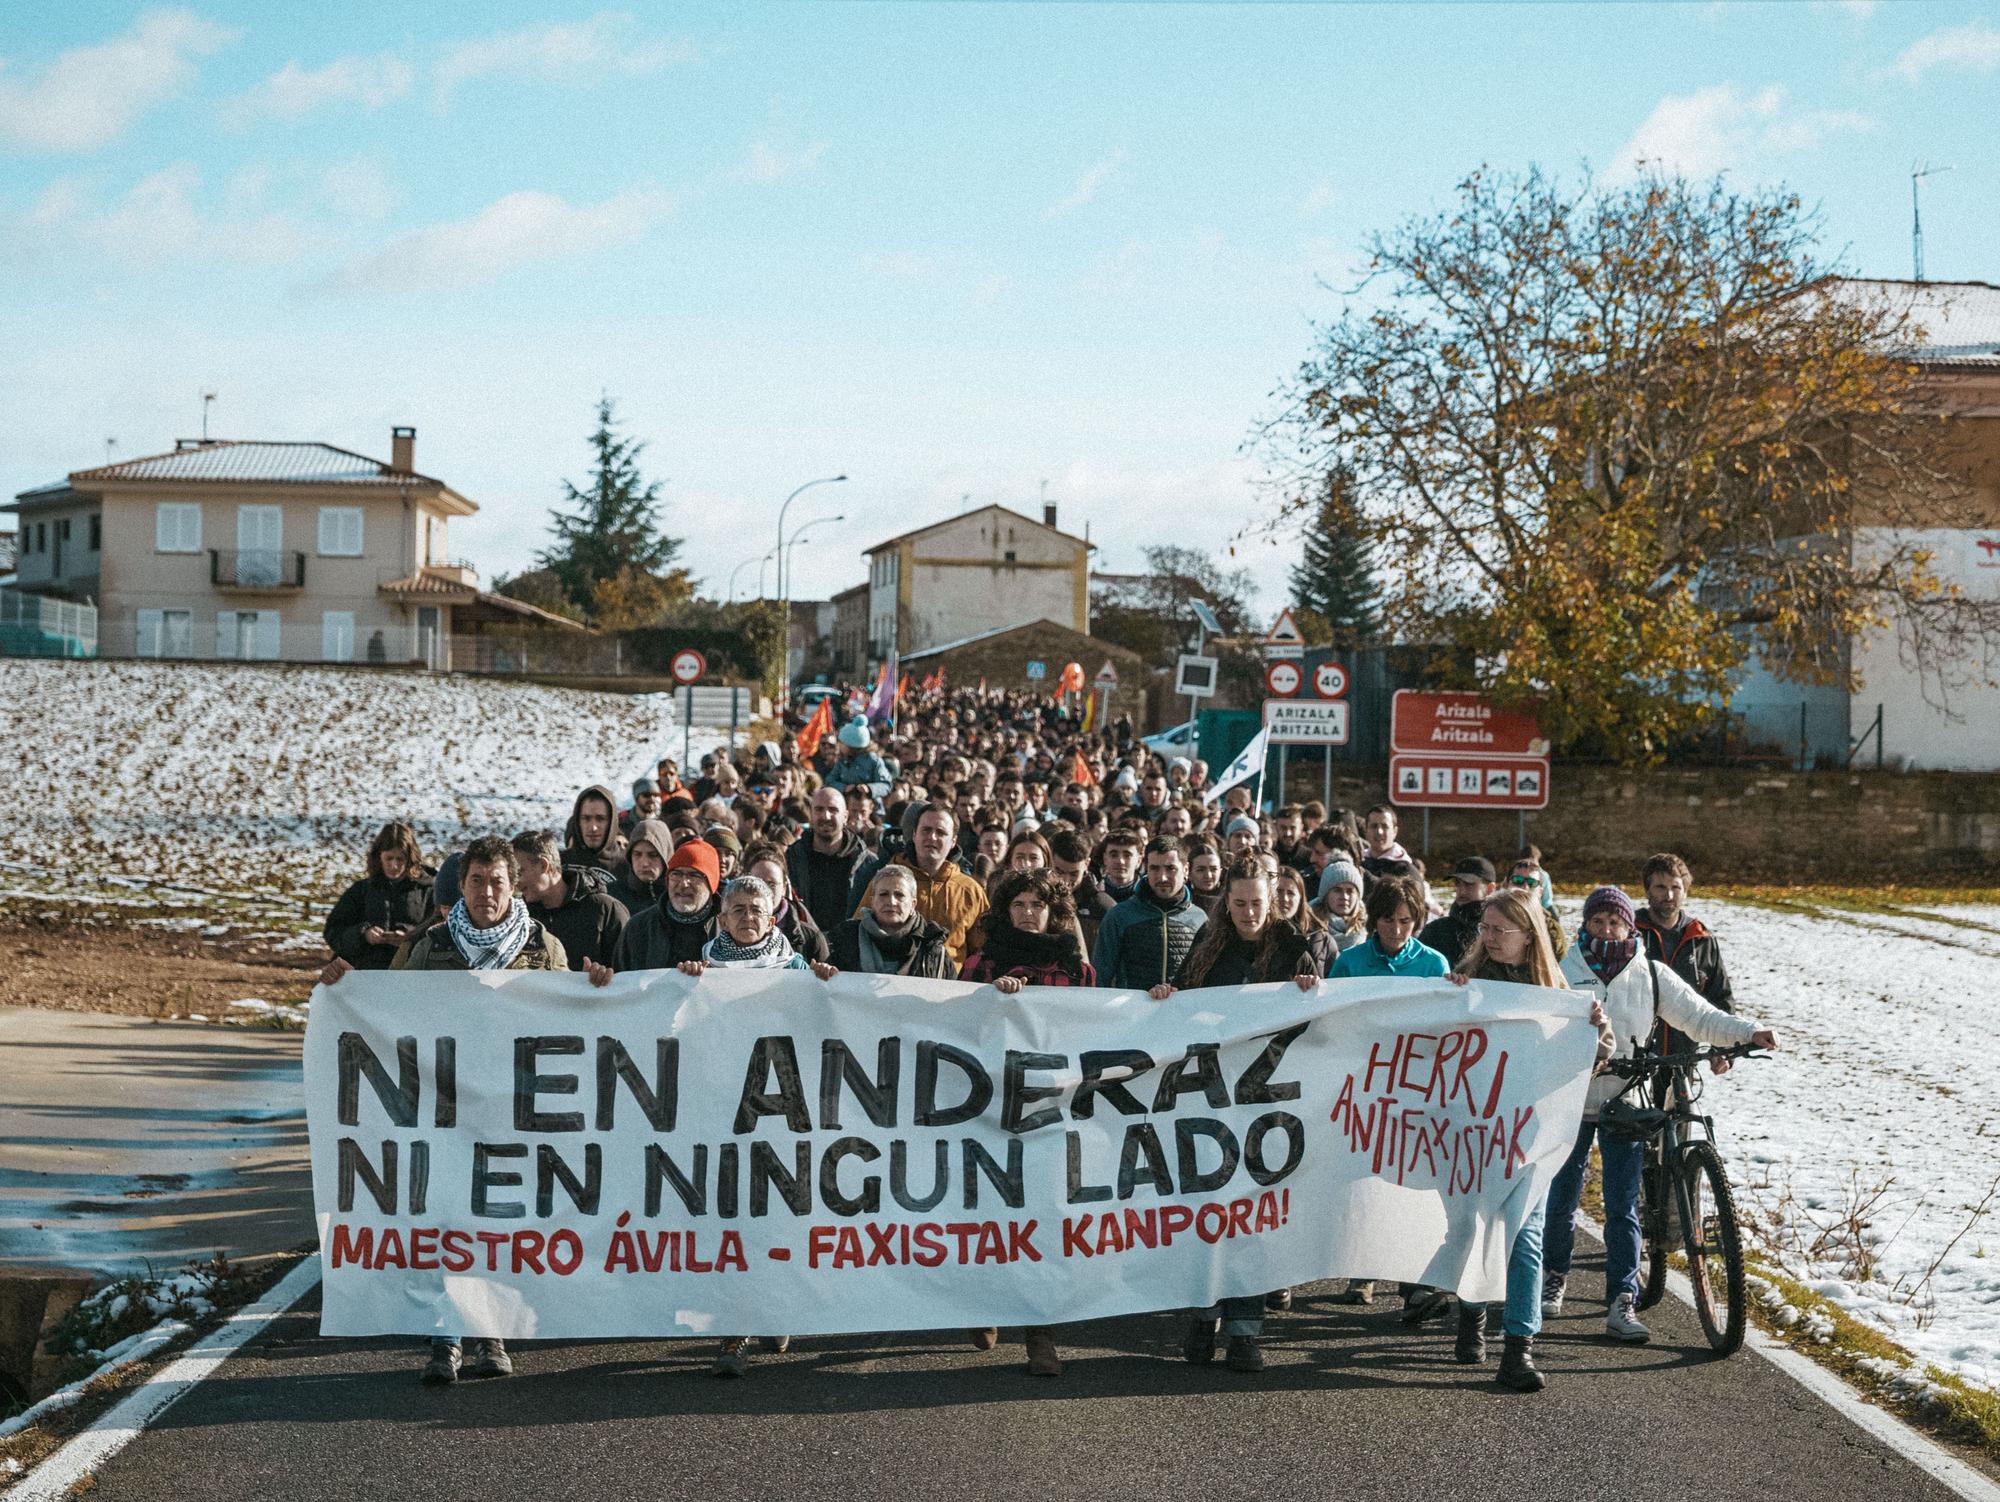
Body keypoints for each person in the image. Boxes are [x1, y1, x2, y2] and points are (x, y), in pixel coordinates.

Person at [1543, 887, 1778, 1344]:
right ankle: (1553, 1279)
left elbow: (1699, 1015)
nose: (1606, 929)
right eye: (1598, 922)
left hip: (1627, 1102)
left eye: (1615, 922)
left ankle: (1622, 1300)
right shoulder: (1563, 970)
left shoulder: (1650, 974)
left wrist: (1749, 1032)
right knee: (1562, 1199)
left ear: (1632, 927)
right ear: (1585, 925)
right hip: (1569, 1100)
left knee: (1623, 1205)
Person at [386, 835, 566, 1386]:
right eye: (476, 881)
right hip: (446, 1109)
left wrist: (599, 988)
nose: (487, 893)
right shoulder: (433, 948)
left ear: (515, 886)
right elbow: (388, 1013)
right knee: (447, 1219)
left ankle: (490, 1332)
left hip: (514, 1109)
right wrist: (344, 991)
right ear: (461, 885)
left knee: (499, 1220)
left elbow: (571, 1021)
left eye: (497, 882)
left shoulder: (542, 948)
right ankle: (445, 1336)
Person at [1148, 856, 1324, 1372]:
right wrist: (1165, 998)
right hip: (1209, 1097)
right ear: (1227, 900)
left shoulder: (1294, 945)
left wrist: (1313, 991)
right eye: (1240, 902)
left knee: (1251, 1220)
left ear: (1273, 900)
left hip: (1267, 1100)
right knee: (1209, 1218)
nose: (1249, 912)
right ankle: (1203, 1321)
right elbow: (1180, 1001)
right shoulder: (1209, 944)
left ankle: (1245, 1333)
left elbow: (1320, 1017)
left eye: (1258, 903)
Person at [1444, 888, 1612, 1392]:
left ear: (1528, 936)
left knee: (1525, 1237)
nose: (1489, 938)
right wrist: (1447, 999)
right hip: (1473, 1131)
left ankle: (1519, 1347)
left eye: (1500, 930)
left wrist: (1596, 1032)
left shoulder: (1556, 992)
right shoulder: (1468, 983)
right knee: (1471, 1228)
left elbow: (1595, 1053)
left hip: (1531, 1137)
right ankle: (1471, 1312)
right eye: (1485, 929)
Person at [674, 873, 836, 1378]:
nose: (748, 917)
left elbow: (828, 1035)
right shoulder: (696, 972)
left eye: (757, 909)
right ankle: (736, 1328)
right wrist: (679, 988)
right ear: (721, 918)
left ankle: (774, 1305)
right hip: (720, 1114)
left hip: (780, 1114)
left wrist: (830, 991)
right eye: (738, 908)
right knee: (733, 1217)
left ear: (774, 917)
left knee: (778, 1216)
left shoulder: (799, 972)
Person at [955, 867, 1095, 1378]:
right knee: (990, 1216)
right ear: (1005, 910)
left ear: (1053, 911)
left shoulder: (1077, 971)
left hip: (1051, 1113)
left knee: (1045, 1220)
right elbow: (956, 1030)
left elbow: (1096, 1027)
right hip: (989, 1110)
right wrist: (993, 998)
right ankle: (986, 1303)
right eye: (1019, 904)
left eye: (1038, 904)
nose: (1029, 913)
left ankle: (1041, 1335)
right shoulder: (980, 964)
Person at [854, 805, 989, 965]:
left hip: (950, 985)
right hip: (890, 981)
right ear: (914, 834)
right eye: (926, 830)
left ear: (953, 841)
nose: (932, 837)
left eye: (941, 832)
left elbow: (983, 951)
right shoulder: (886, 880)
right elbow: (858, 932)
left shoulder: (971, 891)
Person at [1091, 836, 1207, 990]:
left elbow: (1206, 979)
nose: (1162, 877)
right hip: (1132, 1011)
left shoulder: (1200, 919)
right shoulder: (1120, 916)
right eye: (1154, 868)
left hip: (1181, 1012)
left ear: (1186, 869)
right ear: (1146, 868)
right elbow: (1100, 977)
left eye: (1170, 868)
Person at [1635, 851, 1734, 1023]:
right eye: (1661, 887)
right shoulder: (1629, 933)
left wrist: (1728, 1044)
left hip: (1689, 1046)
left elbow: (1721, 999)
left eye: (1676, 888)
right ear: (1647, 891)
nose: (1669, 896)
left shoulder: (1701, 938)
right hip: (1637, 1045)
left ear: (1685, 892)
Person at [511, 830, 628, 970]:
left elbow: (628, 973)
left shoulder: (605, 910)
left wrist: (601, 977)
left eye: (519, 872)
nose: (514, 881)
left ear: (543, 865)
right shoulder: (520, 917)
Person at [323, 822, 432, 971]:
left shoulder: (428, 891)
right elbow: (334, 933)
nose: (394, 865)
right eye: (389, 858)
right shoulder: (361, 891)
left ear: (410, 859)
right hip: (365, 975)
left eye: (400, 859)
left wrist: (411, 938)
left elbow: (441, 932)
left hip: (411, 975)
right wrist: (364, 935)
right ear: (379, 856)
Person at [606, 839, 721, 972]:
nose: (683, 884)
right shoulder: (639, 927)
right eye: (676, 874)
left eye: (694, 875)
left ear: (711, 884)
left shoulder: (728, 929)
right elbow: (619, 981)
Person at [827, 864, 954, 977]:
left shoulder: (933, 949)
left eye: (899, 895)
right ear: (872, 901)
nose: (891, 902)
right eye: (883, 894)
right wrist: (824, 972)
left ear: (913, 904)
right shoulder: (845, 940)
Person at [788, 786, 875, 934]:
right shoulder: (792, 858)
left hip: (853, 945)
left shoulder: (868, 864)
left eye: (833, 810)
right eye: (819, 809)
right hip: (805, 944)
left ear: (846, 817)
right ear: (811, 814)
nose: (826, 816)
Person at [1330, 875, 1451, 979]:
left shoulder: (1435, 964)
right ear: (1375, 919)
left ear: (1416, 921)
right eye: (1388, 920)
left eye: (1405, 921)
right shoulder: (1349, 962)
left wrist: (1460, 985)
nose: (1396, 930)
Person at [742, 842, 830, 965]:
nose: (764, 890)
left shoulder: (810, 937)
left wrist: (823, 972)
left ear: (784, 887)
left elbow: (829, 981)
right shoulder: (730, 930)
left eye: (771, 884)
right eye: (757, 882)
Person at [1419, 856, 1498, 969]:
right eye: (1458, 883)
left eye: (1469, 884)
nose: (1461, 890)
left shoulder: (1501, 931)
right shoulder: (1436, 930)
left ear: (1490, 889)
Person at [607, 818, 672, 918]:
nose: (645, 863)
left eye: (653, 855)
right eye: (637, 854)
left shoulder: (676, 896)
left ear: (665, 857)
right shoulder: (613, 895)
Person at [562, 784, 625, 874]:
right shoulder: (561, 865)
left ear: (611, 822)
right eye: (586, 818)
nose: (593, 827)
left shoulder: (628, 864)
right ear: (578, 821)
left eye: (600, 819)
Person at [825, 719, 892, 799]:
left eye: (842, 742)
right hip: (848, 804)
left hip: (870, 806)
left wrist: (869, 788)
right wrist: (844, 788)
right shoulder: (842, 761)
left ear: (851, 745)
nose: (839, 745)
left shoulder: (873, 760)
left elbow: (886, 785)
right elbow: (829, 781)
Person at [1315, 858, 1367, 952]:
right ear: (1326, 895)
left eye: (1350, 891)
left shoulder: (1371, 928)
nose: (1344, 897)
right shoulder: (1308, 926)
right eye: (1337, 890)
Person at [1357, 805, 1414, 876]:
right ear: (1366, 830)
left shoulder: (1407, 871)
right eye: (1374, 826)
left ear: (1395, 831)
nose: (1379, 832)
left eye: (1385, 826)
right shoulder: (1358, 863)